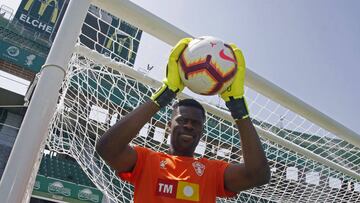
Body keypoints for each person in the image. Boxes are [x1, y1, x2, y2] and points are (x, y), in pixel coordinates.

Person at [96, 38, 270, 202]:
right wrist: (165, 94)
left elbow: (258, 175)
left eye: (196, 124)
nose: (188, 125)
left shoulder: (212, 171)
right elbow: (107, 148)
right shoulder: (146, 160)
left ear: (201, 132)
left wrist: (237, 106)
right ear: (169, 126)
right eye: (182, 120)